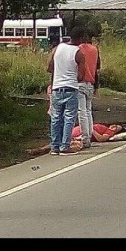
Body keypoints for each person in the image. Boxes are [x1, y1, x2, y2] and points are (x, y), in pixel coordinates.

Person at [47, 26, 85, 155]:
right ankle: (65, 146)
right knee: (69, 117)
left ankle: (54, 147)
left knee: (56, 118)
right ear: (80, 39)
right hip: (71, 88)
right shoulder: (79, 53)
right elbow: (81, 76)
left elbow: (49, 67)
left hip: (57, 87)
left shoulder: (57, 48)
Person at [76, 29, 100, 148]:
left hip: (80, 82)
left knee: (81, 112)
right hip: (91, 82)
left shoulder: (78, 49)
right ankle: (90, 135)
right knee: (88, 110)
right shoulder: (95, 50)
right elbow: (98, 67)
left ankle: (85, 138)